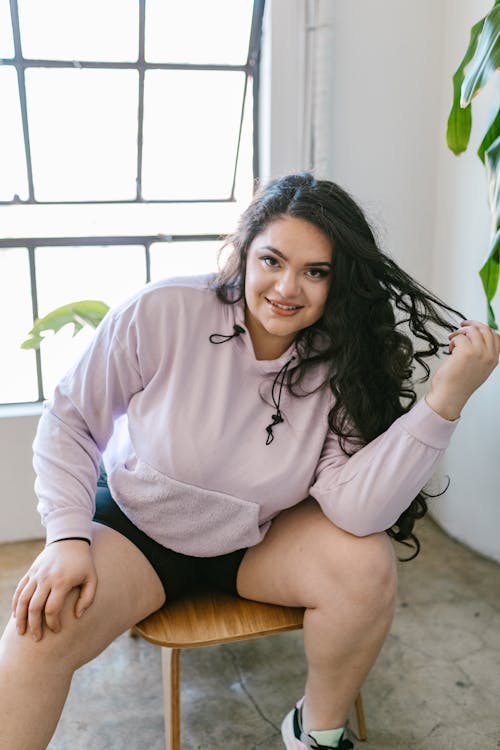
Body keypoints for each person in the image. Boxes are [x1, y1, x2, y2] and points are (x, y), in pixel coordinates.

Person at [0, 173, 499, 750]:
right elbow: (70, 419)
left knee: (366, 564)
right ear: (243, 254)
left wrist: (445, 401)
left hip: (255, 537)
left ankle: (317, 730)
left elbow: (355, 508)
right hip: (139, 529)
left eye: (316, 272)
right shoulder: (164, 311)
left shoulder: (343, 362)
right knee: (38, 627)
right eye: (272, 260)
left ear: (339, 283)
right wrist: (66, 539)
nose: (288, 287)